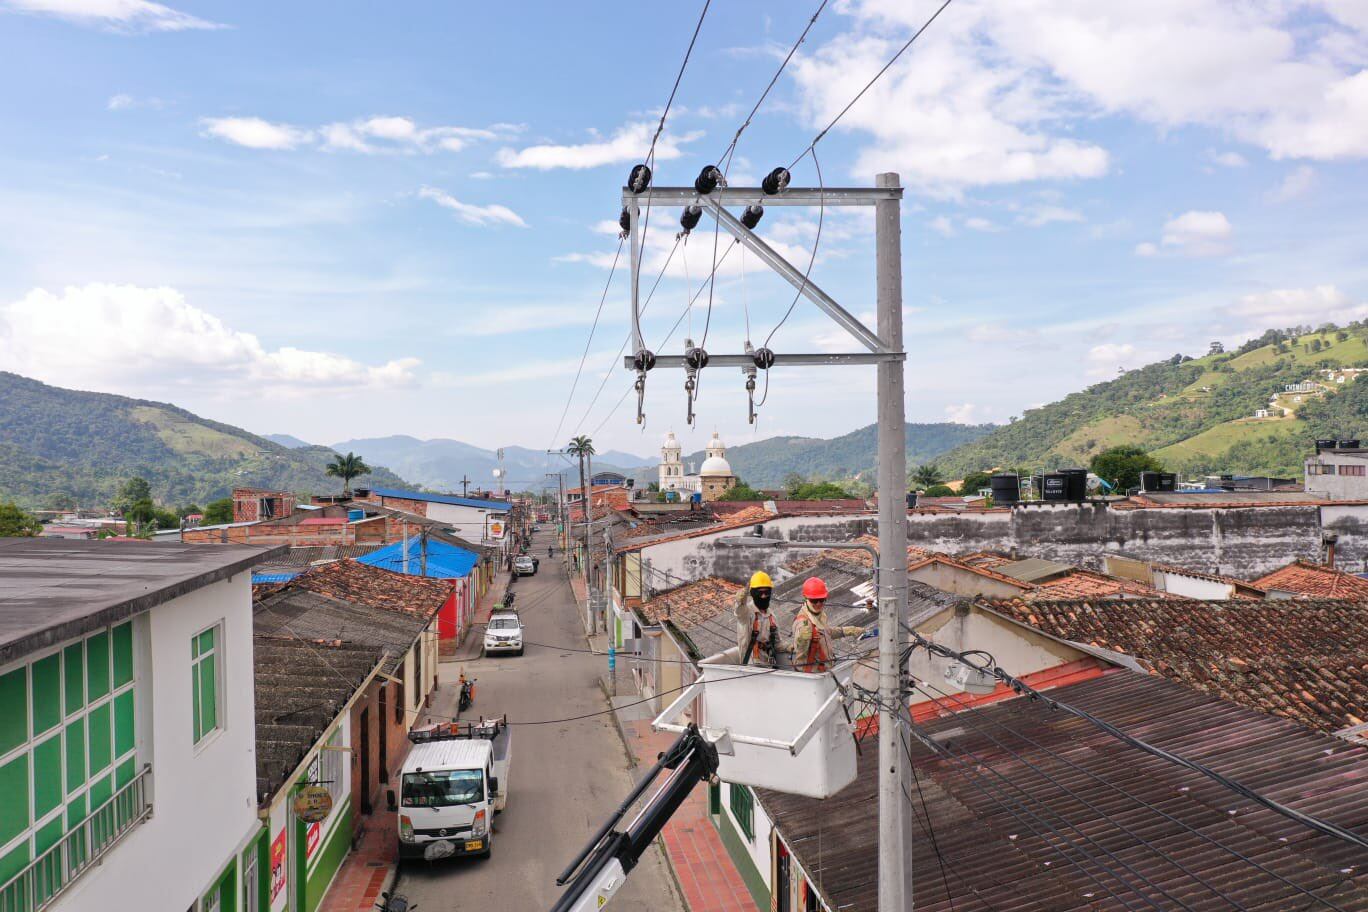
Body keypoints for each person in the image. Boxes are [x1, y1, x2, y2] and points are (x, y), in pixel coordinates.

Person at [791, 577, 864, 673]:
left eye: (821, 600)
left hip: (824, 670)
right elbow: (799, 651)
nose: (818, 604)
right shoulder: (804, 623)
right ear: (806, 598)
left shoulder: (818, 615)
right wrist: (803, 640)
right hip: (812, 674)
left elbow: (826, 632)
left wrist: (850, 630)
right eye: (814, 601)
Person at [734, 570, 781, 667]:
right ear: (753, 593)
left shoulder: (771, 616)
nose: (763, 596)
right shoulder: (747, 613)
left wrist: (791, 647)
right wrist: (740, 601)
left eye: (766, 592)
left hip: (769, 665)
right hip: (751, 667)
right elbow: (739, 611)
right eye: (760, 593)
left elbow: (777, 644)